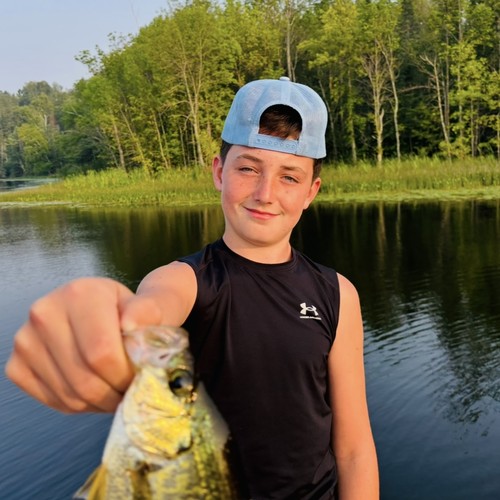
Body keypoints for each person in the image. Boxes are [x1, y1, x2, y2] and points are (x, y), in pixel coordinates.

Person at [5, 77, 379, 499]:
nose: (265, 193)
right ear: (219, 172)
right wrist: (110, 320)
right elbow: (151, 308)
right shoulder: (186, 280)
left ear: (311, 192)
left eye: (289, 177)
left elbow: (354, 450)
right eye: (248, 168)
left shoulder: (338, 293)